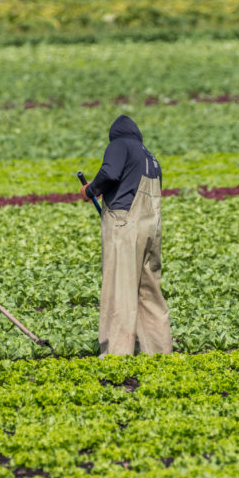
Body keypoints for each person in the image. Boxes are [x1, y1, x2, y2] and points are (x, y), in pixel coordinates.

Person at [81, 115, 173, 356]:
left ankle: (116, 354)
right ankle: (158, 350)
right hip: (151, 228)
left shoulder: (119, 145)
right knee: (149, 291)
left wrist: (91, 189)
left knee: (119, 289)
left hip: (125, 226)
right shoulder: (151, 158)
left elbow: (110, 173)